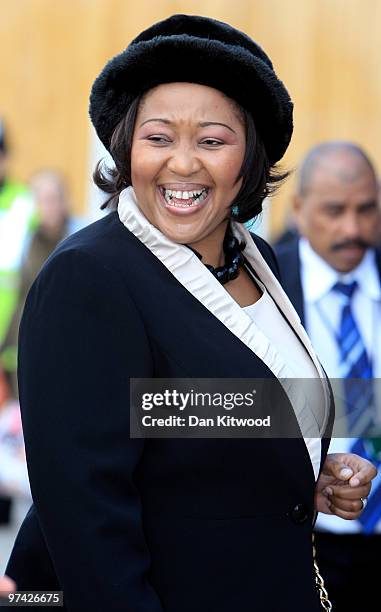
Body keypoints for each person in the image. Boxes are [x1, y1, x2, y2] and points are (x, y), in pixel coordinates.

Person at [2, 16, 377, 612]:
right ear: (126, 147)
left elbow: (176, 413)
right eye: (158, 138)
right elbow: (90, 529)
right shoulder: (89, 279)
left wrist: (301, 466)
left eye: (211, 140)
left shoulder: (258, 263)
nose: (182, 164)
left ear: (248, 159)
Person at [275, 141, 381, 611]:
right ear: (298, 210)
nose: (352, 229)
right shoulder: (259, 287)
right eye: (335, 211)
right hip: (301, 542)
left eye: (367, 210)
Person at [0, 169, 84, 398]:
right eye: (41, 200)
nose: (47, 207)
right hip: (27, 346)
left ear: (65, 201)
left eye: (53, 199)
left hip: (69, 345)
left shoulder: (81, 238)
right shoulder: (21, 240)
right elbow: (14, 296)